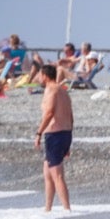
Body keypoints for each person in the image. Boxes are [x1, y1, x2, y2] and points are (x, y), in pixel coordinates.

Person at [35, 64, 73, 211]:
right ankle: (48, 208)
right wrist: (68, 141)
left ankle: (67, 209)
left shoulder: (51, 90)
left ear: (45, 75)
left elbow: (49, 112)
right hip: (65, 133)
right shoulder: (63, 91)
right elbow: (71, 115)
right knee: (47, 173)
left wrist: (39, 133)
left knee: (57, 175)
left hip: (55, 134)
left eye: (39, 74)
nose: (38, 77)